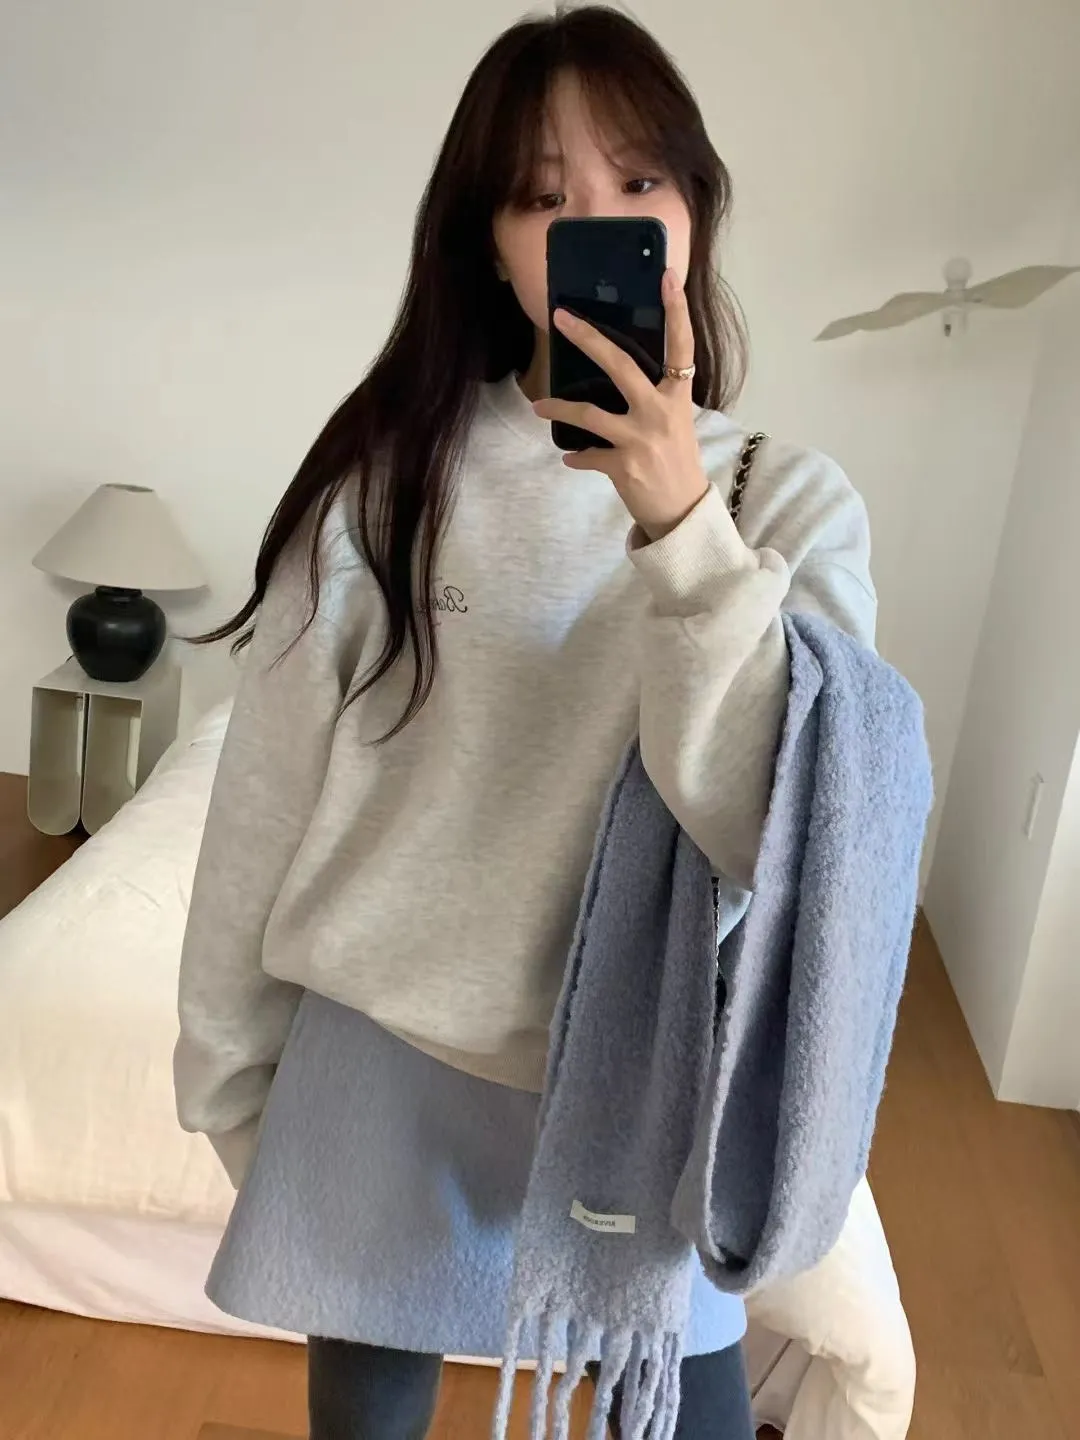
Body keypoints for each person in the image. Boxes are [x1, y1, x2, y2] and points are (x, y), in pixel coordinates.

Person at [175, 7, 877, 1438]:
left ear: (695, 212)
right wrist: (228, 1076)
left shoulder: (787, 507)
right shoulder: (385, 488)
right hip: (377, 1065)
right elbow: (263, 796)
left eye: (638, 182)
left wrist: (680, 527)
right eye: (544, 197)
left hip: (647, 1084)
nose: (595, 223)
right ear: (488, 244)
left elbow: (781, 833)